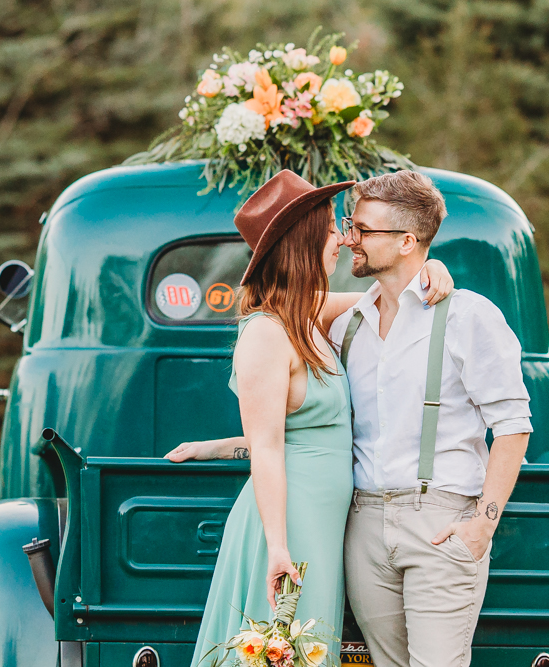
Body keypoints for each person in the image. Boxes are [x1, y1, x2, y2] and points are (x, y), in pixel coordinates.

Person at [175, 170, 454, 667]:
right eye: (331, 229)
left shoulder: (310, 314)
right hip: (290, 527)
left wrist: (433, 268)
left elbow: (394, 296)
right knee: (281, 651)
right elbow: (269, 447)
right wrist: (279, 547)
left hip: (323, 525)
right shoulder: (264, 333)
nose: (344, 240)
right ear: (303, 243)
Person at [331, 170, 533, 667]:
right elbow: (277, 305)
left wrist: (482, 526)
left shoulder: (469, 317)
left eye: (362, 230)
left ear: (405, 241)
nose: (349, 239)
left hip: (441, 519)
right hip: (364, 524)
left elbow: (513, 425)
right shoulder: (347, 325)